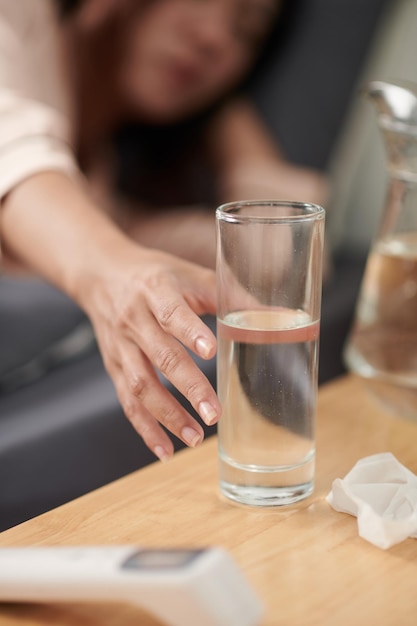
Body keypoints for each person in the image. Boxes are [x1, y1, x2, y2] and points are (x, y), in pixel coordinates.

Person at [0, 0, 327, 461]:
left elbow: (275, 256)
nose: (217, 39)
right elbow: (13, 156)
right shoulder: (19, 17)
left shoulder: (107, 196)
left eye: (247, 31)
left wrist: (227, 126)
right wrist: (110, 272)